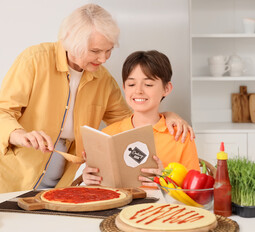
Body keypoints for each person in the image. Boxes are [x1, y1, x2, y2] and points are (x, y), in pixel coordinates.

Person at [0, 4, 193, 195]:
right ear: (72, 43)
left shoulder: (104, 80)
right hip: (11, 179)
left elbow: (133, 120)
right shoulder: (35, 61)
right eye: (95, 51)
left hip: (61, 185)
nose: (103, 59)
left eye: (109, 51)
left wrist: (167, 115)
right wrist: (17, 134)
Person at [83, 50, 200, 187]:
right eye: (131, 84)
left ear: (166, 89)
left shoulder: (180, 135)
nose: (138, 91)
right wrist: (89, 178)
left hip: (163, 207)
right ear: (124, 88)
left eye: (148, 84)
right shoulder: (108, 135)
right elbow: (100, 187)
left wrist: (166, 183)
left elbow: (195, 190)